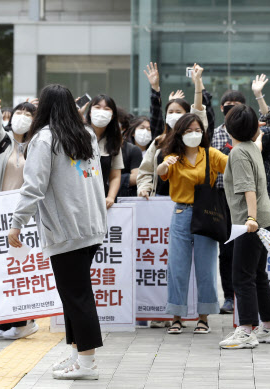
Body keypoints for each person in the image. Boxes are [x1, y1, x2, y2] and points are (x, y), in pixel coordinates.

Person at [8, 83, 106, 380]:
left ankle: (87, 363)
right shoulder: (86, 134)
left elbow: (33, 186)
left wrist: (16, 223)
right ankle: (77, 355)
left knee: (76, 295)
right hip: (90, 226)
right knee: (74, 294)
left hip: (66, 228)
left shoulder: (45, 139)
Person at [0, 69, 39, 339]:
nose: (22, 118)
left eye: (28, 114)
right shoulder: (0, 142)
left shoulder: (39, 145)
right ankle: (7, 320)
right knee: (0, 268)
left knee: (22, 267)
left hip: (24, 218)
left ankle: (25, 321)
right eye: (18, 114)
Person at [156, 110, 228, 335]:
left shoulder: (211, 154)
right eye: (189, 131)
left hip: (206, 213)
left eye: (198, 130)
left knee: (206, 267)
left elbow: (233, 166)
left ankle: (203, 317)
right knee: (177, 267)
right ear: (180, 133)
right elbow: (160, 173)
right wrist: (165, 164)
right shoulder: (172, 156)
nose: (194, 134)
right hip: (181, 212)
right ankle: (176, 317)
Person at [219, 104, 270, 349]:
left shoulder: (238, 153)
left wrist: (251, 219)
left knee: (242, 276)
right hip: (264, 220)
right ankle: (269, 328)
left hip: (251, 223)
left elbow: (248, 188)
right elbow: (258, 142)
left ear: (228, 127)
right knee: (257, 274)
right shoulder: (252, 148)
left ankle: (246, 331)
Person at [137, 63, 209, 200]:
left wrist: (198, 84)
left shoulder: (194, 138)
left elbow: (199, 112)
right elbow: (146, 170)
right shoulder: (160, 140)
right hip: (159, 200)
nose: (174, 115)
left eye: (178, 112)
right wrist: (144, 188)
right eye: (170, 112)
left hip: (190, 201)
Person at [84, 95, 124, 209]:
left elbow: (115, 176)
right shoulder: (78, 134)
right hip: (77, 197)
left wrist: (110, 197)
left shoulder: (114, 141)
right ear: (90, 112)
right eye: (97, 107)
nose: (101, 112)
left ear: (112, 116)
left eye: (106, 109)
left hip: (100, 199)